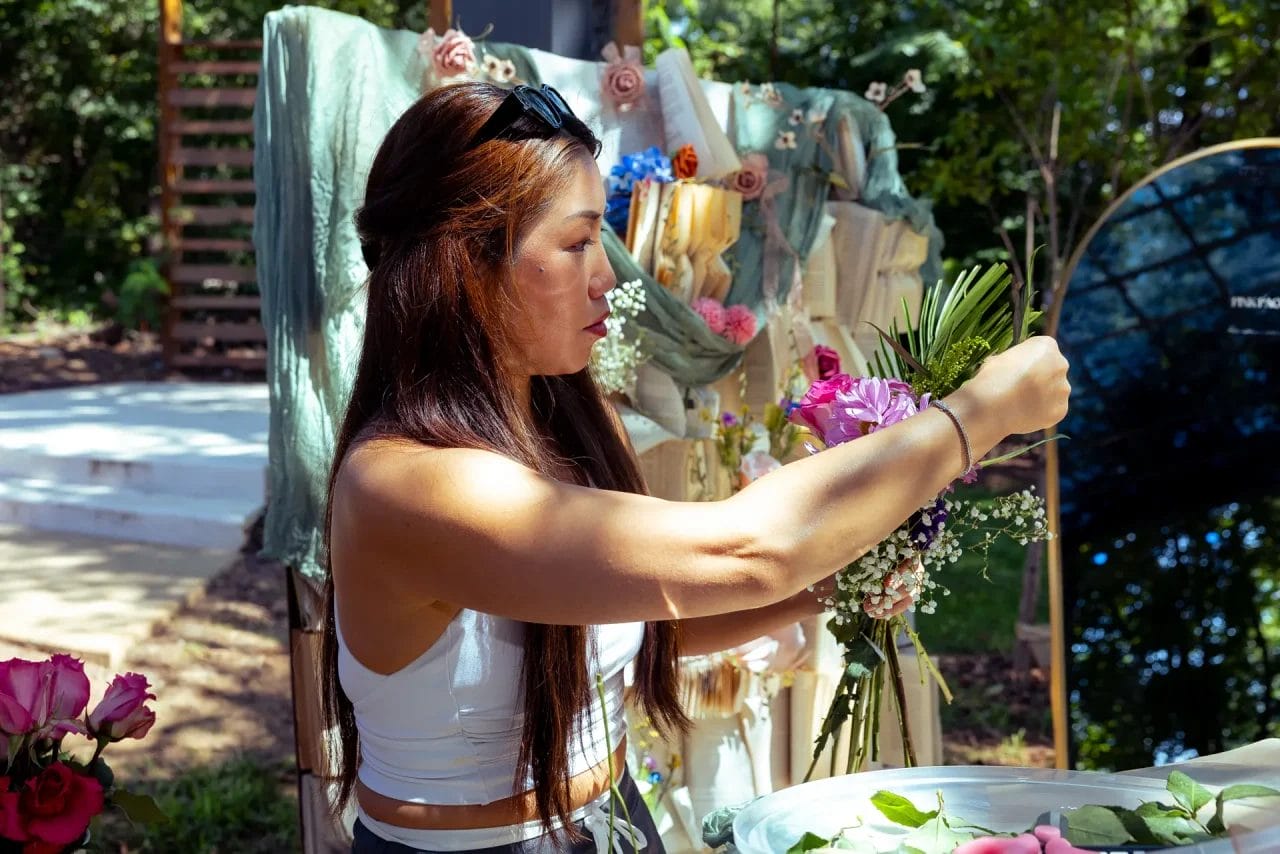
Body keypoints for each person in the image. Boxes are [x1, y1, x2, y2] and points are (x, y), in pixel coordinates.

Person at [320, 81, 1070, 854]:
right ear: (466, 265)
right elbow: (745, 549)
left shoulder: (555, 421)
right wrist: (977, 417)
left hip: (612, 822)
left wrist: (839, 572)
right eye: (578, 243)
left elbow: (642, 623)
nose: (607, 276)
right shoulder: (408, 484)